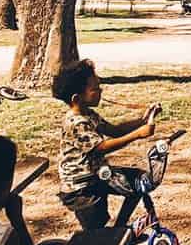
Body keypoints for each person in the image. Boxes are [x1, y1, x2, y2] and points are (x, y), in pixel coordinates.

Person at [52, 57, 161, 231]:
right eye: (95, 89)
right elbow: (101, 147)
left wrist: (143, 120)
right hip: (81, 188)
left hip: (96, 176)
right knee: (95, 235)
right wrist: (137, 135)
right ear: (76, 98)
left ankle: (119, 230)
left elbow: (114, 130)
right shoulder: (76, 122)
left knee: (139, 182)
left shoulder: (89, 114)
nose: (100, 91)